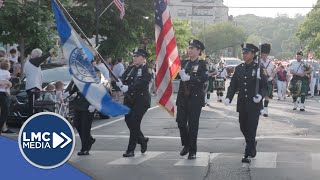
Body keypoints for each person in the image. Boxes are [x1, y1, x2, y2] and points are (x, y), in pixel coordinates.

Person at [224, 43, 268, 163]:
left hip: (254, 104)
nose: (244, 54)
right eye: (243, 52)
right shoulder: (239, 68)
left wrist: (260, 96)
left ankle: (248, 153)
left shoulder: (259, 68)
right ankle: (252, 143)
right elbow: (233, 85)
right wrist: (229, 97)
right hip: (242, 103)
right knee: (243, 127)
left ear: (253, 54)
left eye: (246, 52)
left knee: (251, 128)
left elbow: (266, 86)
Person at [116, 48, 152, 157]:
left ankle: (130, 150)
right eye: (134, 56)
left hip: (141, 100)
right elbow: (123, 78)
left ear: (143, 58)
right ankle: (141, 139)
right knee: (129, 121)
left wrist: (128, 88)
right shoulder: (130, 68)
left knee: (135, 122)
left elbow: (142, 83)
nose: (135, 58)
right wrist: (119, 83)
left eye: (137, 56)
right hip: (129, 100)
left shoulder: (147, 70)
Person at [176, 39, 208, 160]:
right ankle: (186, 144)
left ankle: (192, 150)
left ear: (198, 51)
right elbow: (174, 74)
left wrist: (189, 78)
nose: (190, 50)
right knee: (181, 123)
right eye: (189, 48)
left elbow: (204, 78)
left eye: (193, 48)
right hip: (182, 98)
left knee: (193, 125)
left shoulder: (203, 64)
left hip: (195, 99)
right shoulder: (183, 63)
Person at [24, 47, 57, 116]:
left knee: (33, 106)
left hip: (32, 86)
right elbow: (43, 58)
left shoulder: (30, 63)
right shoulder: (33, 62)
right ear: (37, 56)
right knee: (34, 106)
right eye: (40, 55)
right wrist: (53, 49)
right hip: (33, 87)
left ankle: (32, 119)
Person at [66, 81, 96, 155]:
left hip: (88, 106)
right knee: (77, 124)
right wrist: (67, 93)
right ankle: (89, 139)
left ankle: (85, 148)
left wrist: (94, 104)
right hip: (79, 104)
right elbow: (73, 90)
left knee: (85, 128)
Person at [260, 43, 274, 117]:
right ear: (261, 54)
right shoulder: (258, 61)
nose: (264, 56)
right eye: (263, 54)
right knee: (260, 96)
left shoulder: (270, 62)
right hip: (261, 81)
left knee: (267, 96)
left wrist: (272, 77)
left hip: (268, 81)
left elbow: (272, 71)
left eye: (265, 54)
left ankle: (265, 110)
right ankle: (261, 108)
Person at [0, 60, 12, 134]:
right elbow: (7, 83)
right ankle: (1, 126)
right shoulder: (7, 73)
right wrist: (8, 84)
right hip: (4, 93)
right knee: (5, 111)